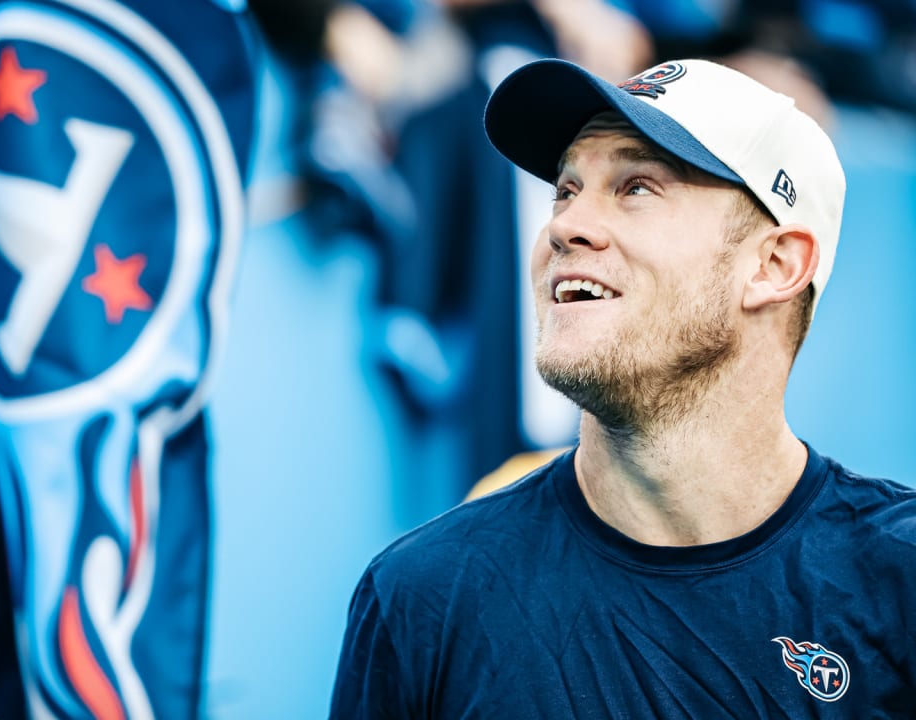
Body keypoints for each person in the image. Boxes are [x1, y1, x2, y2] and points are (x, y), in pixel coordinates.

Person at [328, 57, 916, 717]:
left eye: (636, 186)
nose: (563, 227)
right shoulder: (422, 595)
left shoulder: (898, 581)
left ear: (775, 264)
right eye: (566, 189)